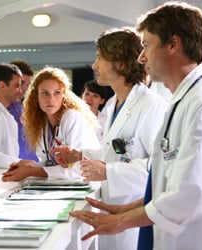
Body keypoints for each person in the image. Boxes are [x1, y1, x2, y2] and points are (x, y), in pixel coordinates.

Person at [68, 2, 202, 249]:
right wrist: (124, 209)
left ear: (173, 44)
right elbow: (165, 181)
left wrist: (123, 221)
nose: (141, 57)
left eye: (147, 45)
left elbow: (191, 194)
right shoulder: (180, 102)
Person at [51, 28, 167, 250]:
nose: (95, 66)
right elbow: (116, 151)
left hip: (135, 216)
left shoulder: (152, 107)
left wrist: (108, 172)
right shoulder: (114, 104)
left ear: (121, 64)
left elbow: (159, 169)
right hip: (111, 210)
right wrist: (79, 155)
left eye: (100, 58)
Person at [2, 66, 100, 181]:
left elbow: (77, 169)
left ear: (64, 96)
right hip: (65, 184)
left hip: (86, 182)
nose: (51, 99)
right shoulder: (41, 121)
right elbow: (49, 163)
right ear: (36, 97)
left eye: (57, 93)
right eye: (45, 93)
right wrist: (29, 166)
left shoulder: (72, 117)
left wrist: (30, 171)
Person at [7, 59, 39, 161]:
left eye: (27, 84)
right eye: (21, 83)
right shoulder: (0, 106)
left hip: (35, 163)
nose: (24, 88)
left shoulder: (27, 107)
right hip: (16, 164)